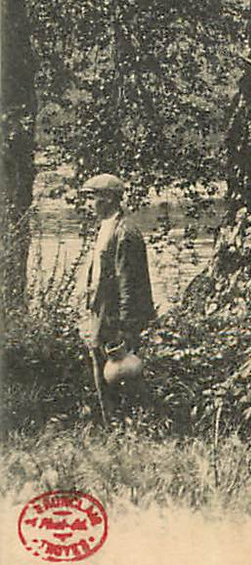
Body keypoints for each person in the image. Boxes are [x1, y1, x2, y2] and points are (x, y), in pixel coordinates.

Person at [77, 174, 155, 413]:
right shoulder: (106, 227)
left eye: (93, 198)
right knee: (103, 371)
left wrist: (125, 325)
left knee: (122, 372)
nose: (88, 204)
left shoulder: (125, 232)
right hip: (101, 312)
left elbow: (129, 283)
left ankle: (130, 426)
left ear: (110, 198)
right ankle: (114, 425)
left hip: (116, 317)